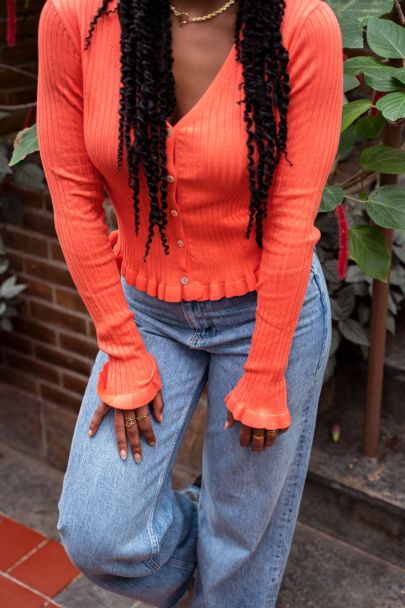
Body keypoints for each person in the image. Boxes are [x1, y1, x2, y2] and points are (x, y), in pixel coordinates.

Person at [36, 0, 343, 606]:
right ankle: (222, 524)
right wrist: (121, 347)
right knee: (101, 533)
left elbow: (291, 219)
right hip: (145, 310)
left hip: (268, 311)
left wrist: (264, 372)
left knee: (240, 546)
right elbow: (71, 195)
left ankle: (233, 539)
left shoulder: (302, 26)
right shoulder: (77, 17)